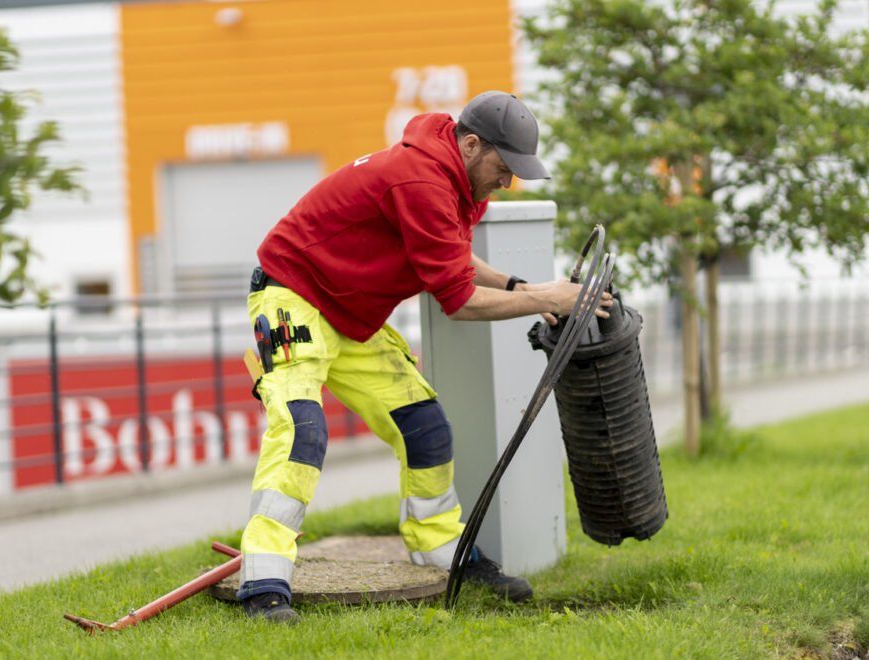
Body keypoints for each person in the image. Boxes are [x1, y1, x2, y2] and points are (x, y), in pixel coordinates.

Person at [237, 91, 611, 624]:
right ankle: (264, 581)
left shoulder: (457, 181)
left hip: (348, 314)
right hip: (290, 296)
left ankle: (441, 551)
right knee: (302, 431)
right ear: (472, 144)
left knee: (425, 426)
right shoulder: (422, 181)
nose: (507, 182)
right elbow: (459, 302)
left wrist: (522, 287)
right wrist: (548, 297)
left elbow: (451, 258)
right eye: (504, 169)